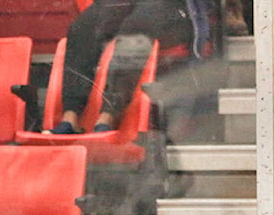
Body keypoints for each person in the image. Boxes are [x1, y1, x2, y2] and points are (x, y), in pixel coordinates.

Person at [47, 0, 213, 135]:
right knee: (83, 26)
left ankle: (108, 117)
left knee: (135, 27)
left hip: (176, 9)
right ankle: (71, 118)